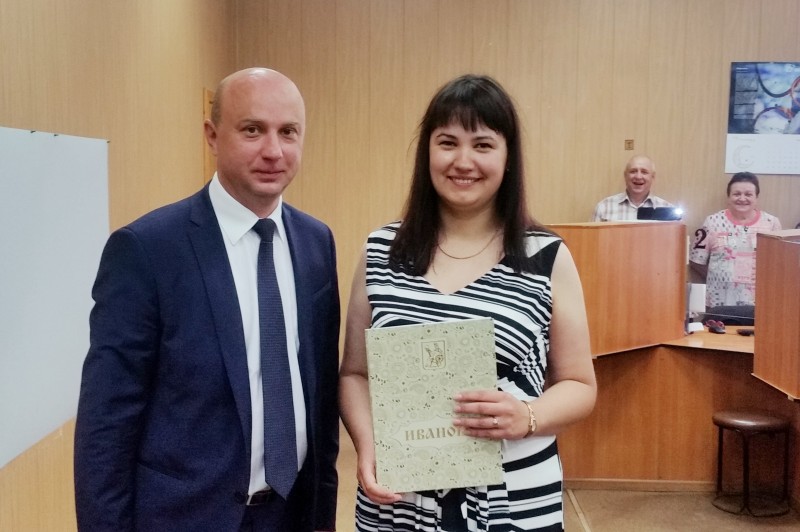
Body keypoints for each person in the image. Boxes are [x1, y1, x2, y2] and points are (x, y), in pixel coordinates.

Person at [74, 68, 340, 531]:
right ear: (212, 135)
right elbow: (107, 424)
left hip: (291, 513)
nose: (273, 151)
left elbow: (320, 395)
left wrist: (322, 516)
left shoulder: (317, 243)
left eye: (288, 132)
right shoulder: (147, 249)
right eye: (252, 130)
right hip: (186, 517)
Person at [339, 74, 597, 531]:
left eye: (482, 145)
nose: (463, 161)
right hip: (400, 497)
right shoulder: (382, 250)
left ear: (508, 157)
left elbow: (580, 384)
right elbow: (355, 373)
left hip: (514, 497)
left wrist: (527, 415)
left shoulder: (545, 256)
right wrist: (368, 444)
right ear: (427, 152)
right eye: (447, 142)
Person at [689, 172, 782, 309]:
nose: (742, 198)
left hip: (760, 303)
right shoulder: (711, 222)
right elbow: (696, 260)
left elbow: (778, 263)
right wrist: (718, 277)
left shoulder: (771, 224)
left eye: (748, 194)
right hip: (718, 303)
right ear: (729, 197)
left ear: (756, 197)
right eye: (737, 194)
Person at [592, 155, 674, 221]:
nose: (638, 176)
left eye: (644, 172)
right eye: (633, 171)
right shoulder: (604, 207)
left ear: (653, 177)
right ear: (625, 175)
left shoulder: (668, 210)